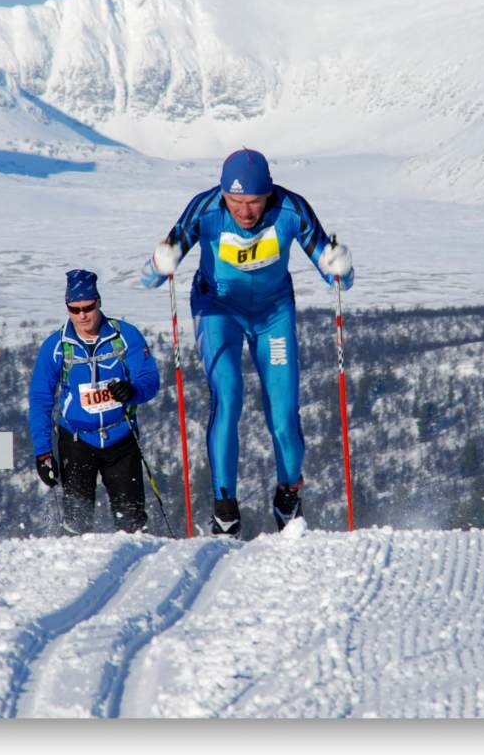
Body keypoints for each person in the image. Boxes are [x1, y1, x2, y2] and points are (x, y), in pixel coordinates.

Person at [139, 148, 353, 536]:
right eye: (236, 202)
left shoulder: (291, 208)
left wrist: (340, 266)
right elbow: (151, 276)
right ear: (223, 194)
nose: (245, 212)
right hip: (218, 310)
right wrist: (159, 264)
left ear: (268, 194)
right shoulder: (204, 208)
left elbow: (334, 270)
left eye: (254, 202)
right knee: (229, 395)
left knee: (284, 413)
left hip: (273, 315)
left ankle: (288, 493)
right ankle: (224, 507)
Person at [27, 269, 162, 534]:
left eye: (87, 307)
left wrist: (133, 390)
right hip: (77, 441)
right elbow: (41, 399)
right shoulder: (56, 346)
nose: (82, 316)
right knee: (76, 524)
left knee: (132, 522)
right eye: (74, 309)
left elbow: (150, 377)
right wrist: (43, 452)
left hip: (121, 439)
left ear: (98, 302)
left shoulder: (125, 336)